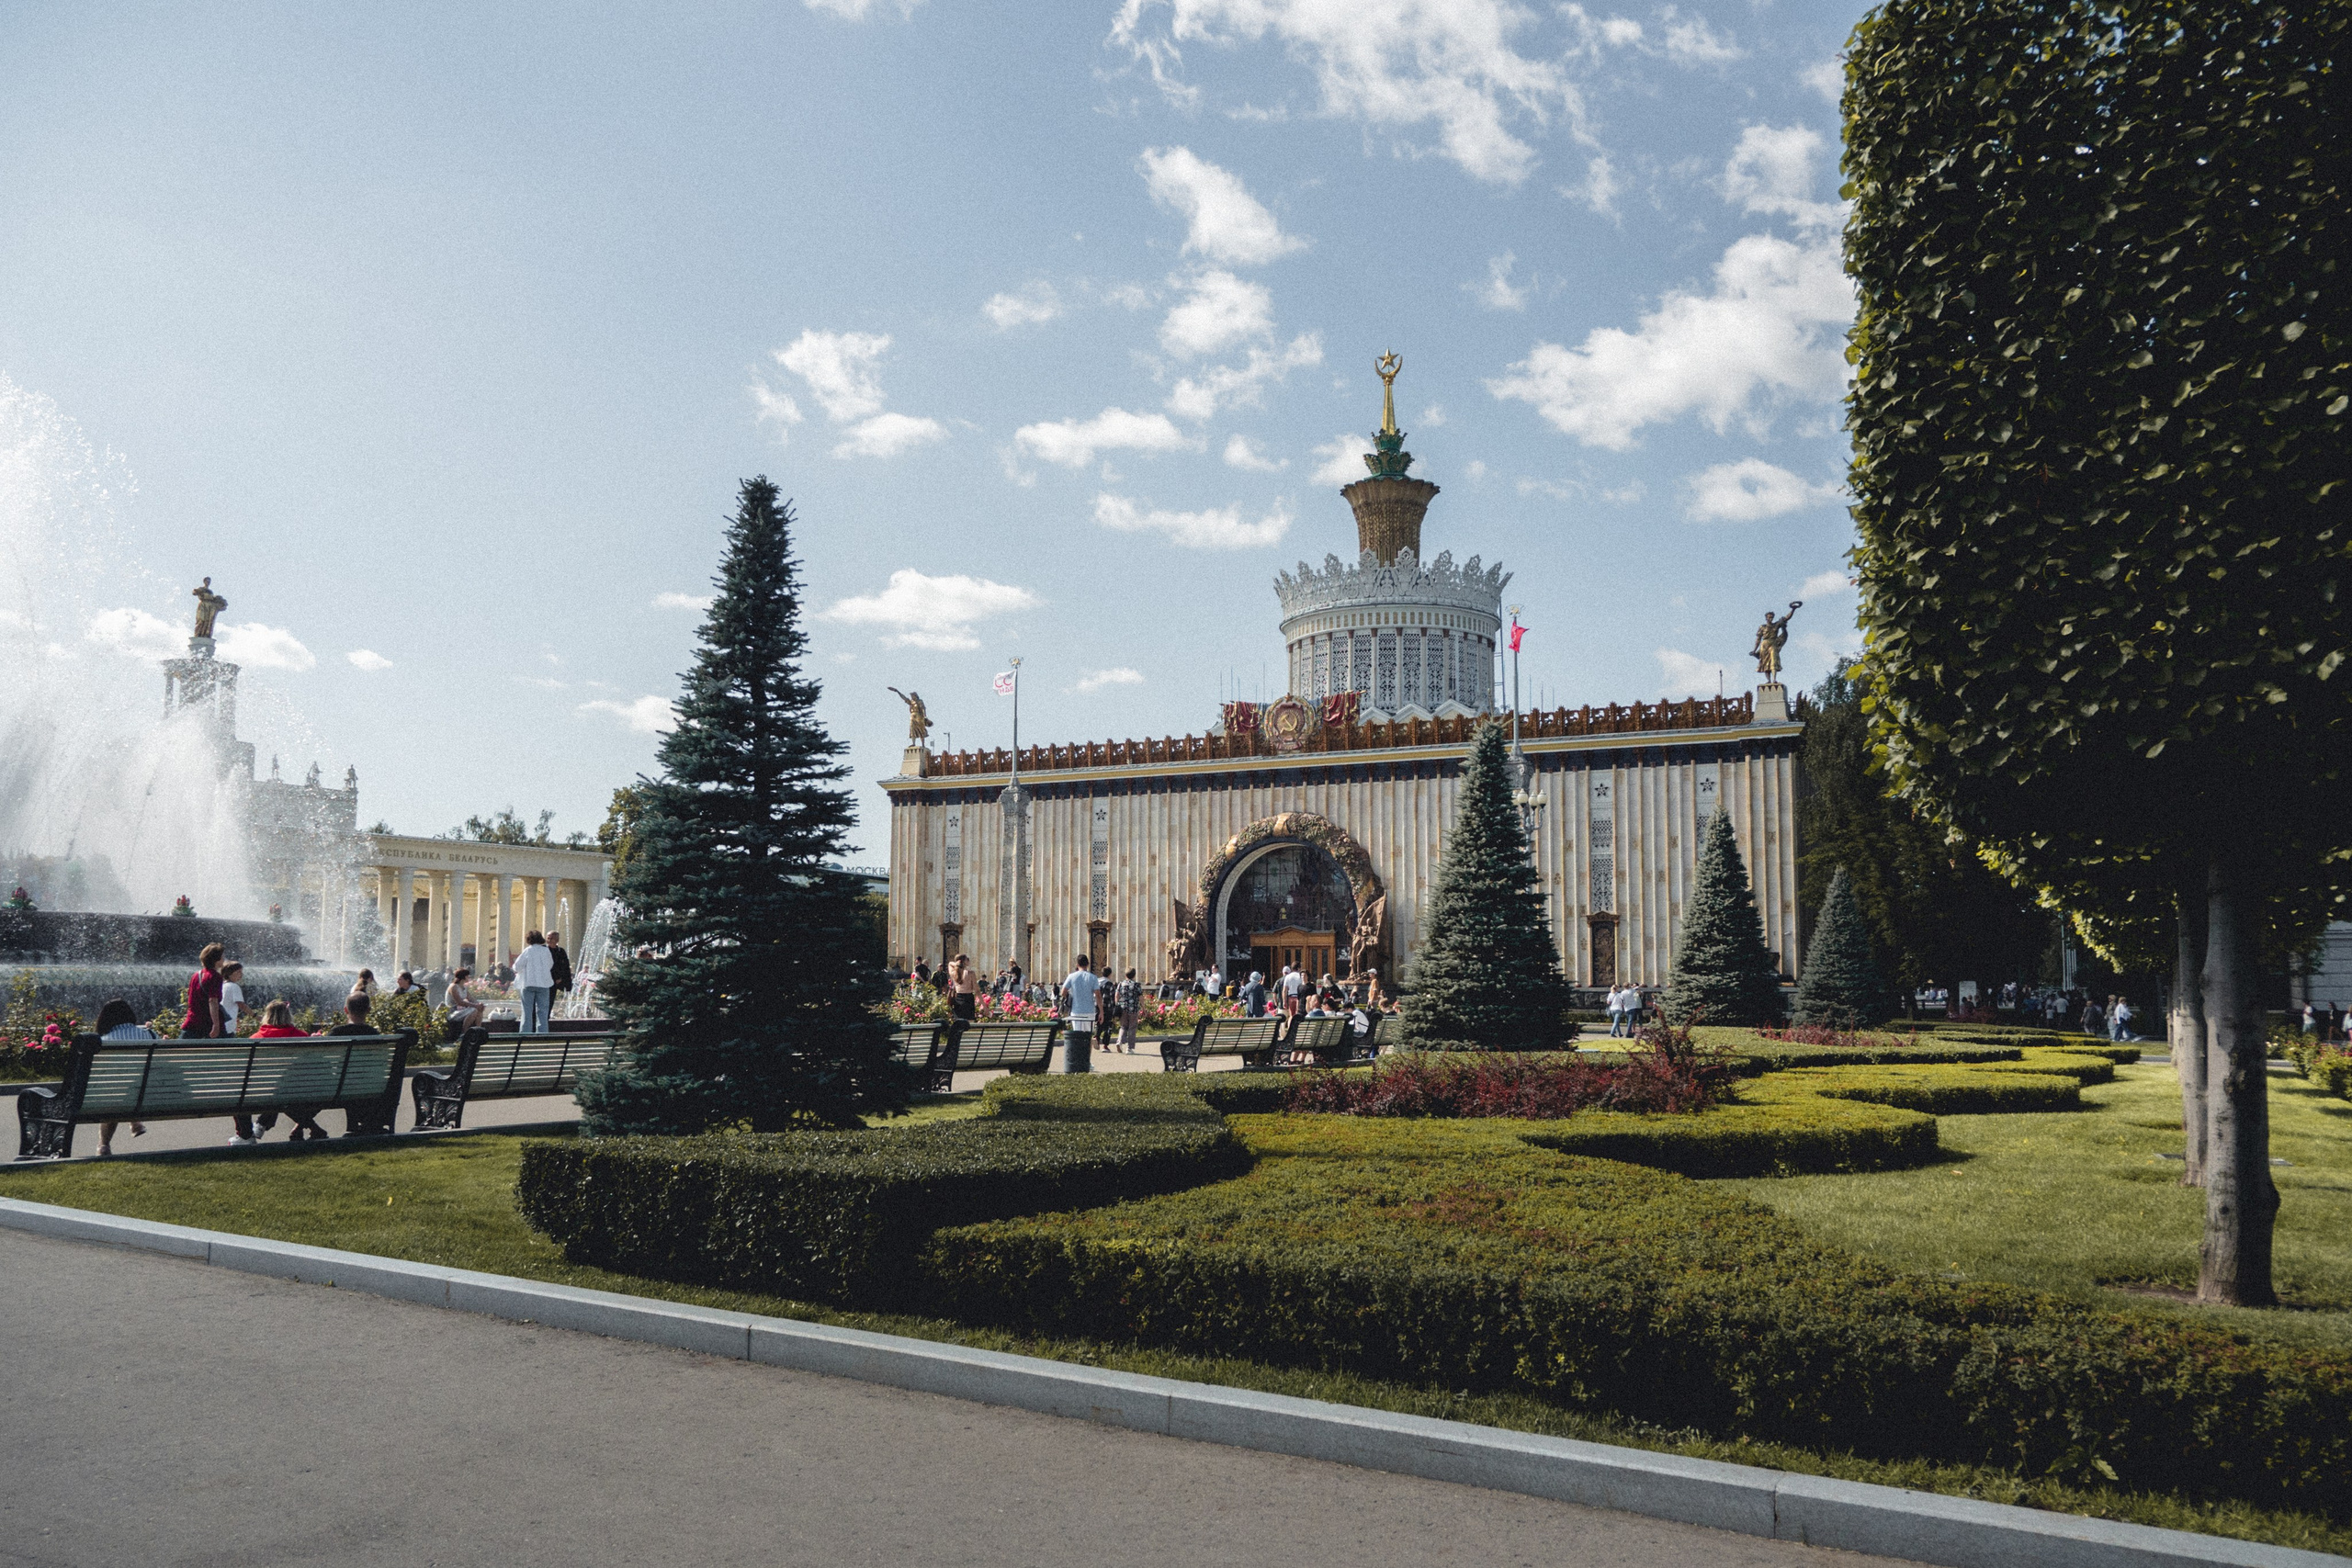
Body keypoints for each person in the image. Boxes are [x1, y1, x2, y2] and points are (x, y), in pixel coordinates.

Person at [249, 1000, 330, 1142]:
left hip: (263, 1089)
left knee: (277, 1094)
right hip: (298, 1088)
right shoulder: (301, 1036)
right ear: (288, 1016)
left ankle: (261, 1123)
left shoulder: (255, 1039)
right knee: (283, 1092)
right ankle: (314, 1128)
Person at [91, 998, 151, 1156]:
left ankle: (103, 1145)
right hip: (150, 1096)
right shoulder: (150, 1035)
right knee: (132, 1088)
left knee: (115, 1094)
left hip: (114, 1096)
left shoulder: (102, 1042)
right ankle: (134, 1120)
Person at [1060, 954, 1100, 1074]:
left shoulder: (1072, 976)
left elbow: (1063, 992)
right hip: (1089, 1012)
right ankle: (1087, 1061)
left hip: (1076, 1012)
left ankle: (1078, 1062)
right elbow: (1098, 995)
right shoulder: (1093, 977)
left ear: (1077, 965)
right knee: (1087, 1037)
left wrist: (1071, 996)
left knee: (1077, 1038)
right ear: (1087, 964)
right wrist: (1101, 1011)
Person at [512, 930, 556, 1034]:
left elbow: (517, 967)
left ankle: (525, 1033)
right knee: (543, 1011)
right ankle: (542, 1033)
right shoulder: (546, 951)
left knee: (527, 1011)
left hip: (528, 984)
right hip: (544, 984)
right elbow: (550, 964)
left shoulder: (528, 950)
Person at [444, 966, 485, 1034]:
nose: (469, 977)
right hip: (452, 1012)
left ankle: (478, 1030)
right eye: (468, 976)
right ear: (464, 977)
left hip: (460, 1011)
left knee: (480, 1009)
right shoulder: (453, 987)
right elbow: (459, 1002)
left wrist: (479, 1004)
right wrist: (475, 1005)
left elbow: (471, 999)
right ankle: (464, 1032)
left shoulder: (464, 987)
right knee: (474, 1009)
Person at [1115, 967, 1141, 1052]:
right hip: (1133, 1008)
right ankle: (1129, 1048)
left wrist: (1117, 1004)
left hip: (1123, 1008)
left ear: (1125, 975)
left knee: (1123, 1026)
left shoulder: (1121, 984)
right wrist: (1144, 1008)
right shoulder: (1136, 985)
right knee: (1132, 1028)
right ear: (1134, 975)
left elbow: (1117, 995)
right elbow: (1140, 997)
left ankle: (1119, 1042)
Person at [219, 961, 247, 1037]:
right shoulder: (234, 987)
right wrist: (255, 1016)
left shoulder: (222, 985)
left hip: (221, 1024)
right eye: (238, 972)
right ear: (229, 973)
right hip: (229, 1026)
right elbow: (241, 1005)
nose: (241, 974)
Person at [948, 953, 978, 1022]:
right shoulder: (970, 973)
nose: (969, 961)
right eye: (967, 959)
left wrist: (957, 964)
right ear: (964, 962)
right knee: (970, 1022)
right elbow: (976, 990)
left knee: (958, 1021)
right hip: (968, 998)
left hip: (958, 997)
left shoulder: (954, 972)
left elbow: (950, 963)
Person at [548, 931, 574, 1001]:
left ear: (557, 940)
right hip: (545, 981)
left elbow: (565, 967)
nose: (549, 940)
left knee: (550, 1002)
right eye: (548, 938)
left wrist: (562, 978)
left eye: (552, 938)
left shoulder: (561, 951)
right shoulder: (544, 950)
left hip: (555, 981)